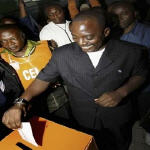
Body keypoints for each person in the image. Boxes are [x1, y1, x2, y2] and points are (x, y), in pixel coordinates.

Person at [2, 9, 148, 150]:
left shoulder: (131, 51)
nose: (81, 43)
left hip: (118, 114)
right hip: (84, 116)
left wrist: (121, 93)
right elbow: (42, 80)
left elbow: (141, 74)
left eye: (88, 37)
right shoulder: (62, 55)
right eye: (75, 37)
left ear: (106, 32)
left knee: (120, 142)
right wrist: (20, 103)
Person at [108, 1, 150, 146]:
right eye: (115, 15)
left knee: (145, 114)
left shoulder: (146, 33)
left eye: (124, 14)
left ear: (135, 14)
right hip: (120, 87)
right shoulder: (110, 34)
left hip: (144, 87)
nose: (119, 18)